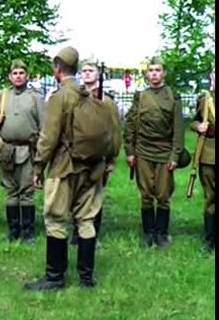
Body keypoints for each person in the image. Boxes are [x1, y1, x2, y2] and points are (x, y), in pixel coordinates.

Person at [25, 47, 109, 290]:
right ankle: (86, 278)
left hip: (64, 167)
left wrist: (38, 166)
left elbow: (49, 137)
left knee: (55, 220)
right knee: (86, 220)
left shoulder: (60, 97)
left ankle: (54, 278)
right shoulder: (89, 95)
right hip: (91, 167)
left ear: (58, 68)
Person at [124, 57, 184, 249]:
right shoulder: (140, 96)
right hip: (143, 151)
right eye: (151, 70)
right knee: (146, 194)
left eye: (158, 70)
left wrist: (175, 155)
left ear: (164, 73)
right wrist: (130, 151)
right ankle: (148, 233)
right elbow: (130, 125)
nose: (154, 74)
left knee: (163, 195)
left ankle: (162, 234)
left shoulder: (172, 96)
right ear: (147, 74)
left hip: (165, 151)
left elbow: (178, 129)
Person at [0, 59, 45, 243]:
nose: (18, 76)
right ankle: (13, 231)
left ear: (26, 76)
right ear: (9, 77)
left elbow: (44, 125)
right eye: (15, 73)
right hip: (7, 149)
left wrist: (41, 154)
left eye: (21, 73)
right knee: (10, 190)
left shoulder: (35, 97)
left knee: (27, 191)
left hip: (28, 150)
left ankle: (28, 231)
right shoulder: (2, 96)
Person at [69, 59, 122, 246]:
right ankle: (76, 232)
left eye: (90, 70)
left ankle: (93, 234)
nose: (87, 74)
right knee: (75, 194)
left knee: (94, 196)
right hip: (76, 156)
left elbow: (114, 131)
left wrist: (112, 158)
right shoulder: (75, 97)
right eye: (83, 70)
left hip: (98, 157)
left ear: (97, 74)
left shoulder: (105, 101)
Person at [190, 66, 215, 252]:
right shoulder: (206, 100)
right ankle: (209, 239)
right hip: (209, 154)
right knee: (210, 197)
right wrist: (199, 126)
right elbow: (194, 120)